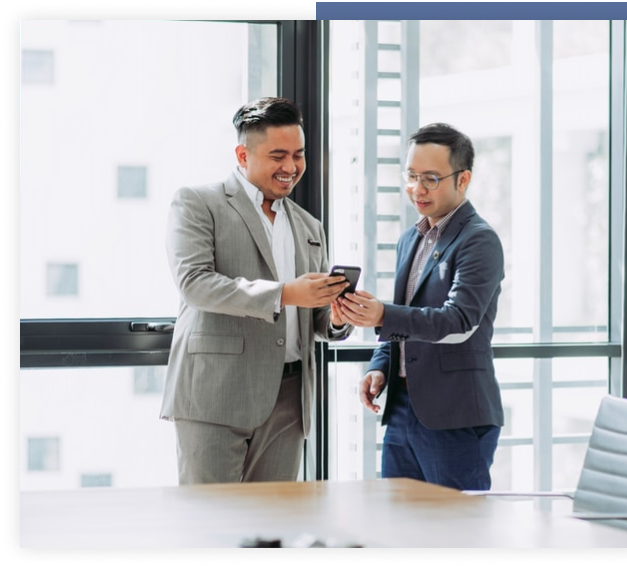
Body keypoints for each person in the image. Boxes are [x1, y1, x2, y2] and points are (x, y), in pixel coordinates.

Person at [160, 97, 354, 484]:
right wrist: (284, 293)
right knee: (211, 525)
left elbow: (311, 316)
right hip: (216, 392)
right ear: (243, 154)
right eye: (278, 155)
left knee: (273, 527)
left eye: (298, 155)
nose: (291, 167)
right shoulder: (198, 203)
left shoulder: (309, 226)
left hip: (290, 400)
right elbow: (195, 284)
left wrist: (334, 317)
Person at [335, 123, 505, 491]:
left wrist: (381, 314)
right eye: (411, 176)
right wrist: (381, 366)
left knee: (456, 535)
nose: (417, 189)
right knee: (400, 530)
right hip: (401, 410)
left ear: (463, 180)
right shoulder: (411, 238)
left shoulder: (479, 240)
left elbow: (459, 321)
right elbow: (405, 317)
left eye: (430, 178)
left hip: (455, 416)